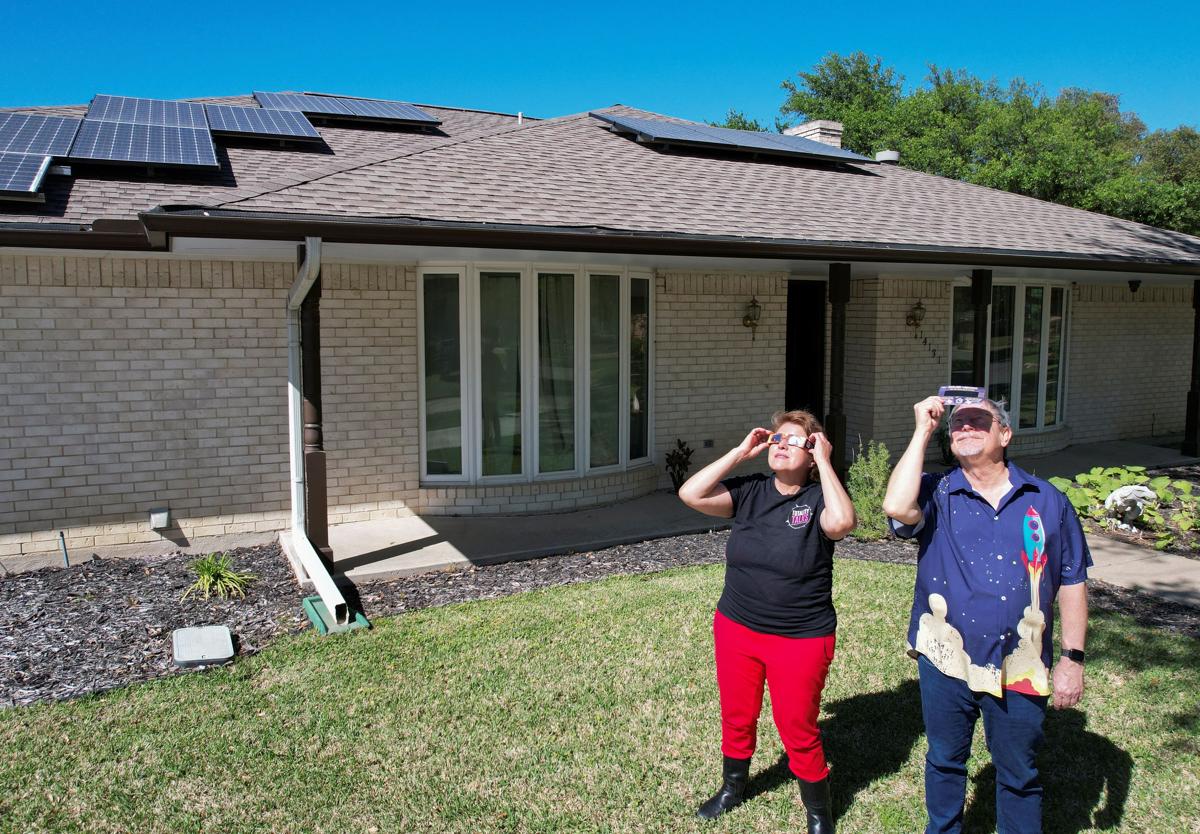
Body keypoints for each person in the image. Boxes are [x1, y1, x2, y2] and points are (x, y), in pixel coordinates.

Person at [882, 395, 1090, 834]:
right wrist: (923, 428)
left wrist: (1073, 658)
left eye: (980, 421)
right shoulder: (938, 491)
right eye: (958, 424)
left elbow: (1071, 580)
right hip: (946, 657)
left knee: (1018, 771)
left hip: (1022, 660)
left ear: (1005, 434)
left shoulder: (1049, 501)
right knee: (945, 759)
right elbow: (897, 509)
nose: (966, 428)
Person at [678, 409, 856, 833]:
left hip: (800, 638)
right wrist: (740, 453)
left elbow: (843, 523)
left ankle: (818, 813)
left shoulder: (819, 500)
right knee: (737, 715)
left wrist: (827, 462)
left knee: (797, 726)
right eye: (777, 438)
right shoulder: (751, 491)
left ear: (812, 453)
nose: (781, 445)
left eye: (795, 440)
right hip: (737, 627)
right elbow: (691, 493)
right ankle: (732, 789)